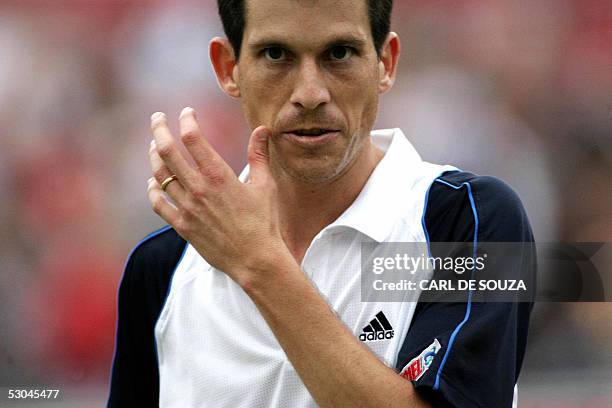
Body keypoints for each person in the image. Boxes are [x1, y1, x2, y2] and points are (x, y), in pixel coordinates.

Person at [108, 0, 535, 407]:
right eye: (276, 54)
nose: (310, 94)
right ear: (228, 68)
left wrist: (260, 264)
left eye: (340, 53)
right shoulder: (161, 268)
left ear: (385, 63)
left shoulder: (476, 221)